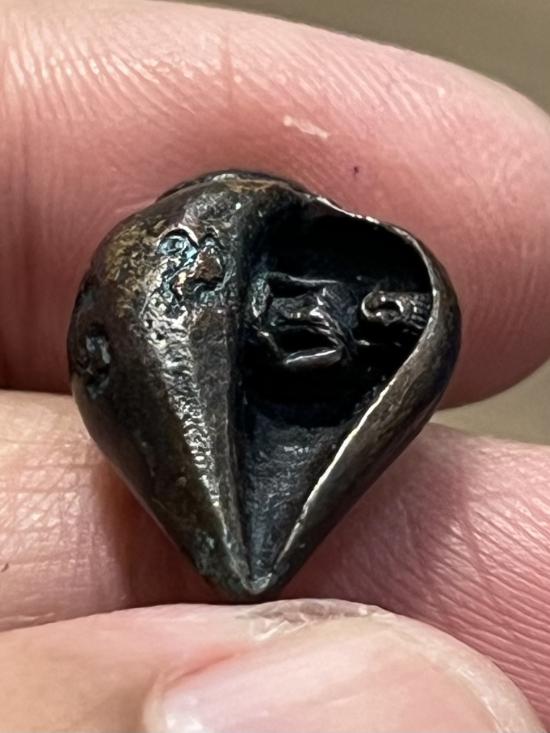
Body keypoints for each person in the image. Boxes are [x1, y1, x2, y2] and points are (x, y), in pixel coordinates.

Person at [1, 1, 550, 730]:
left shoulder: (344, 336)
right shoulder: (309, 285)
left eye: (387, 317)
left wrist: (293, 336)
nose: (379, 311)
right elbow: (279, 312)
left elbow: (303, 355)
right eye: (387, 306)